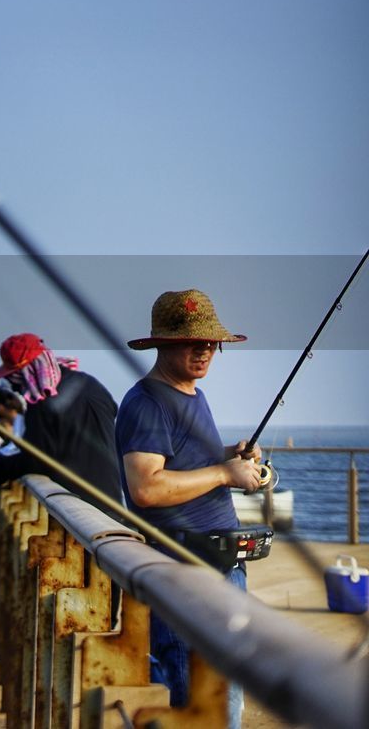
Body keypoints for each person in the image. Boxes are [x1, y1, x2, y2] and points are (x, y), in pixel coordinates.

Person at [115, 288, 261, 728]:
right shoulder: (147, 403)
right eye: (191, 342)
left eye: (210, 342)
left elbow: (179, 460)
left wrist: (227, 455)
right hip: (184, 576)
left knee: (225, 700)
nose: (204, 351)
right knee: (199, 709)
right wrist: (223, 475)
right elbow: (146, 488)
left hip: (222, 567)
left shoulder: (192, 394)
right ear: (162, 344)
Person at [0, 333, 126, 512]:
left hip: (77, 507)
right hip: (111, 499)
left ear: (25, 373)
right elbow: (112, 410)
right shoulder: (89, 383)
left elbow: (36, 459)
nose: (14, 386)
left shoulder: (42, 403)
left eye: (14, 377)